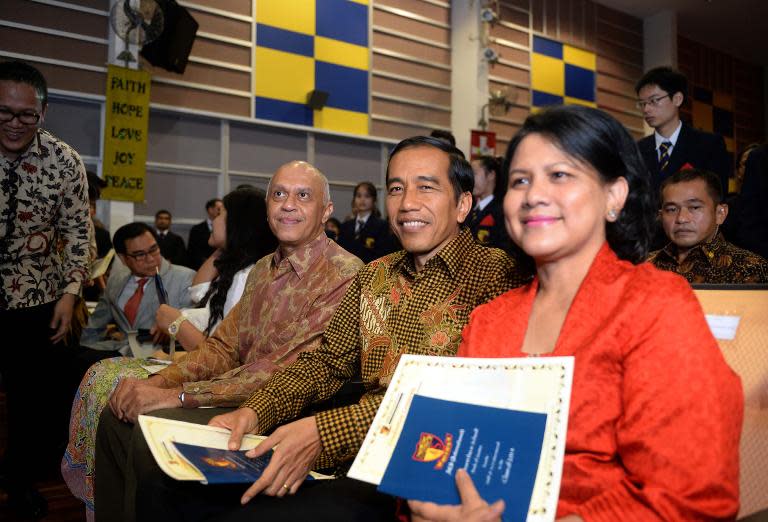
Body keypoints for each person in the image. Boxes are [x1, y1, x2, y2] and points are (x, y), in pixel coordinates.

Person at [112, 136, 531, 522]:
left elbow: (451, 397)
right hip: (352, 458)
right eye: (397, 188)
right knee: (169, 487)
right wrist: (256, 410)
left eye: (426, 187)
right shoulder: (376, 277)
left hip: (423, 469)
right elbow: (326, 362)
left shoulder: (495, 277)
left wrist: (321, 434)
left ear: (462, 205)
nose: (406, 203)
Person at [410, 105, 742, 521]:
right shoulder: (489, 321)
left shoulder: (654, 304)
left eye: (560, 175)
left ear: (614, 195)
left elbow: (692, 494)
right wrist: (432, 507)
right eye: (520, 180)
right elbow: (451, 455)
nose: (533, 195)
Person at [94, 161, 364, 522]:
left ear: (326, 210)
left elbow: (284, 372)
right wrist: (160, 381)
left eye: (303, 196)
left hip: (286, 414)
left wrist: (179, 396)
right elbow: (222, 348)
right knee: (115, 418)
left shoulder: (345, 275)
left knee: (148, 431)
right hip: (237, 399)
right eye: (279, 194)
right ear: (267, 207)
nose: (288, 204)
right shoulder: (262, 270)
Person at [63, 187, 278, 520]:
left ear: (237, 223)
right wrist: (224, 245)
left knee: (109, 386)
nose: (213, 219)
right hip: (200, 364)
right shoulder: (237, 271)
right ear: (123, 258)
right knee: (100, 377)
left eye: (221, 214)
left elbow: (228, 355)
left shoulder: (252, 276)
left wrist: (176, 326)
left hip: (221, 382)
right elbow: (201, 294)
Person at [0, 60, 91, 518]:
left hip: (37, 299)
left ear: (43, 113)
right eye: (5, 112)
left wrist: (70, 293)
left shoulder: (65, 161)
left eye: (26, 115)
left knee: (29, 402)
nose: (15, 124)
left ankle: (19, 485)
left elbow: (79, 232)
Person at [79, 222, 195, 359]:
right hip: (118, 351)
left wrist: (173, 327)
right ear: (123, 258)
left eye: (154, 249)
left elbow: (196, 324)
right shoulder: (116, 280)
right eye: (140, 255)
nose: (151, 259)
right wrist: (82, 346)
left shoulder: (186, 278)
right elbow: (96, 322)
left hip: (161, 357)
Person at [648, 168, 768, 283]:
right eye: (672, 209)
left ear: (720, 213)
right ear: (661, 216)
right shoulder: (643, 265)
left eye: (694, 207)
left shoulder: (750, 269)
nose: (681, 218)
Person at [635, 66, 731, 197]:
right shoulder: (637, 150)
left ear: (677, 99)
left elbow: (717, 198)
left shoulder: (709, 145)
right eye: (642, 103)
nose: (646, 109)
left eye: (654, 101)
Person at [337, 181, 393, 263]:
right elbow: (339, 253)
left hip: (370, 272)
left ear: (374, 200)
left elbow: (382, 255)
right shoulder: (345, 226)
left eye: (367, 196)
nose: (362, 200)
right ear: (354, 199)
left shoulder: (381, 225)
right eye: (359, 196)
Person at [465, 156, 512, 252]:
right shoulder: (467, 206)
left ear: (491, 175)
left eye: (474, 173)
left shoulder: (503, 211)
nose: (471, 179)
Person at [187, 198, 223, 269]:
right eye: (218, 209)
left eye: (222, 210)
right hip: (199, 267)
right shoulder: (196, 229)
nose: (220, 212)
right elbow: (192, 250)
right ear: (210, 210)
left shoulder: (225, 228)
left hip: (220, 266)